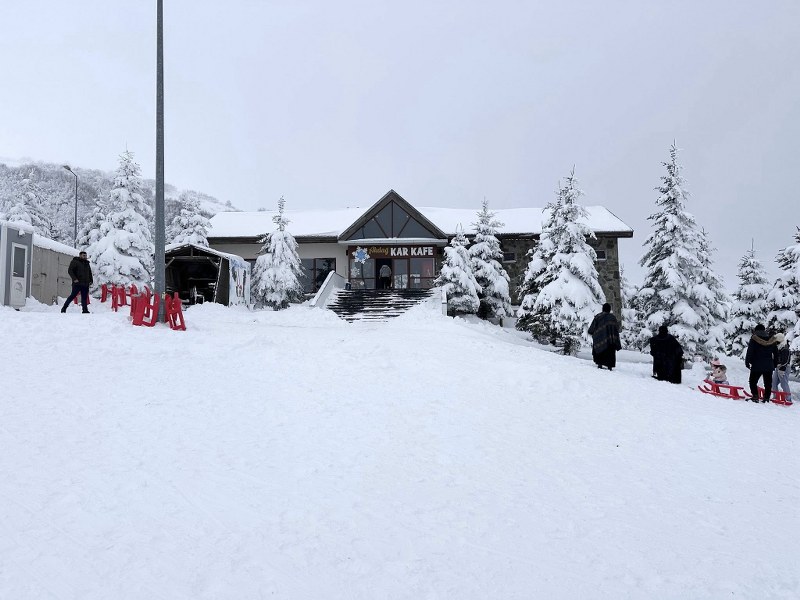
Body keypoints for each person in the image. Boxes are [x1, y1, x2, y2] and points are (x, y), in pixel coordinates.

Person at [745, 324, 779, 403]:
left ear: (756, 330)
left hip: (757, 364)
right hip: (768, 365)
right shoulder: (771, 339)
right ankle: (766, 398)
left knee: (752, 381)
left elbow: (750, 351)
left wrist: (747, 362)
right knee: (768, 383)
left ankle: (755, 396)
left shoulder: (754, 338)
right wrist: (774, 364)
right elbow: (776, 353)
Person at [587, 303, 622, 370]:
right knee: (610, 352)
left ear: (603, 309)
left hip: (600, 339)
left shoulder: (598, 316)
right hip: (611, 341)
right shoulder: (613, 318)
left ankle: (600, 364)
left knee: (600, 349)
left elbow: (592, 327)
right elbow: (617, 328)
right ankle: (610, 366)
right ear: (609, 309)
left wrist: (591, 332)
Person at [772, 332, 793, 402]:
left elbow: (785, 361)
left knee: (784, 383)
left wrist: (782, 369)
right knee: (773, 382)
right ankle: (775, 396)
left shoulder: (785, 348)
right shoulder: (778, 347)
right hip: (778, 368)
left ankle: (788, 398)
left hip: (785, 368)